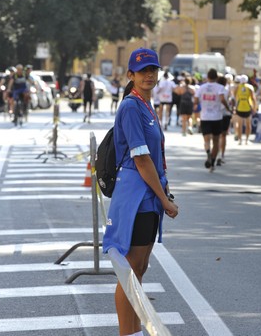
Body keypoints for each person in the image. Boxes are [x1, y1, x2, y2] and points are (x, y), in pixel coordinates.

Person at [103, 48, 179, 336]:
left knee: (139, 269)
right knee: (130, 273)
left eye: (153, 70)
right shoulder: (131, 107)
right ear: (130, 75)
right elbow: (142, 158)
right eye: (142, 70)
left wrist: (163, 194)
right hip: (136, 196)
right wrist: (164, 199)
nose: (149, 75)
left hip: (147, 197)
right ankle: (128, 333)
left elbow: (155, 158)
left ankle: (134, 331)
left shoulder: (147, 105)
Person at [193, 68, 231, 172]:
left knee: (206, 140)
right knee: (216, 140)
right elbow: (223, 99)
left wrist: (197, 105)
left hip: (205, 117)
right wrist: (228, 108)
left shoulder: (201, 88)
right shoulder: (221, 87)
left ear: (208, 77)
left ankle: (208, 152)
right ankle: (212, 163)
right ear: (216, 77)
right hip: (217, 117)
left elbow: (196, 101)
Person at [216, 73, 234, 165]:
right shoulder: (227, 89)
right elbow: (232, 100)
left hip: (216, 114)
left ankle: (217, 154)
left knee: (216, 136)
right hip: (225, 114)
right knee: (223, 135)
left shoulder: (216, 89)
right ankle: (221, 155)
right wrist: (230, 109)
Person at [234, 74, 257, 145]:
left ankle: (240, 140)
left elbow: (235, 96)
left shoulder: (237, 87)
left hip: (239, 106)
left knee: (240, 124)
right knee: (248, 124)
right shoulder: (250, 87)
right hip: (247, 106)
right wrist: (254, 107)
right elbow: (253, 98)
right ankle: (246, 140)